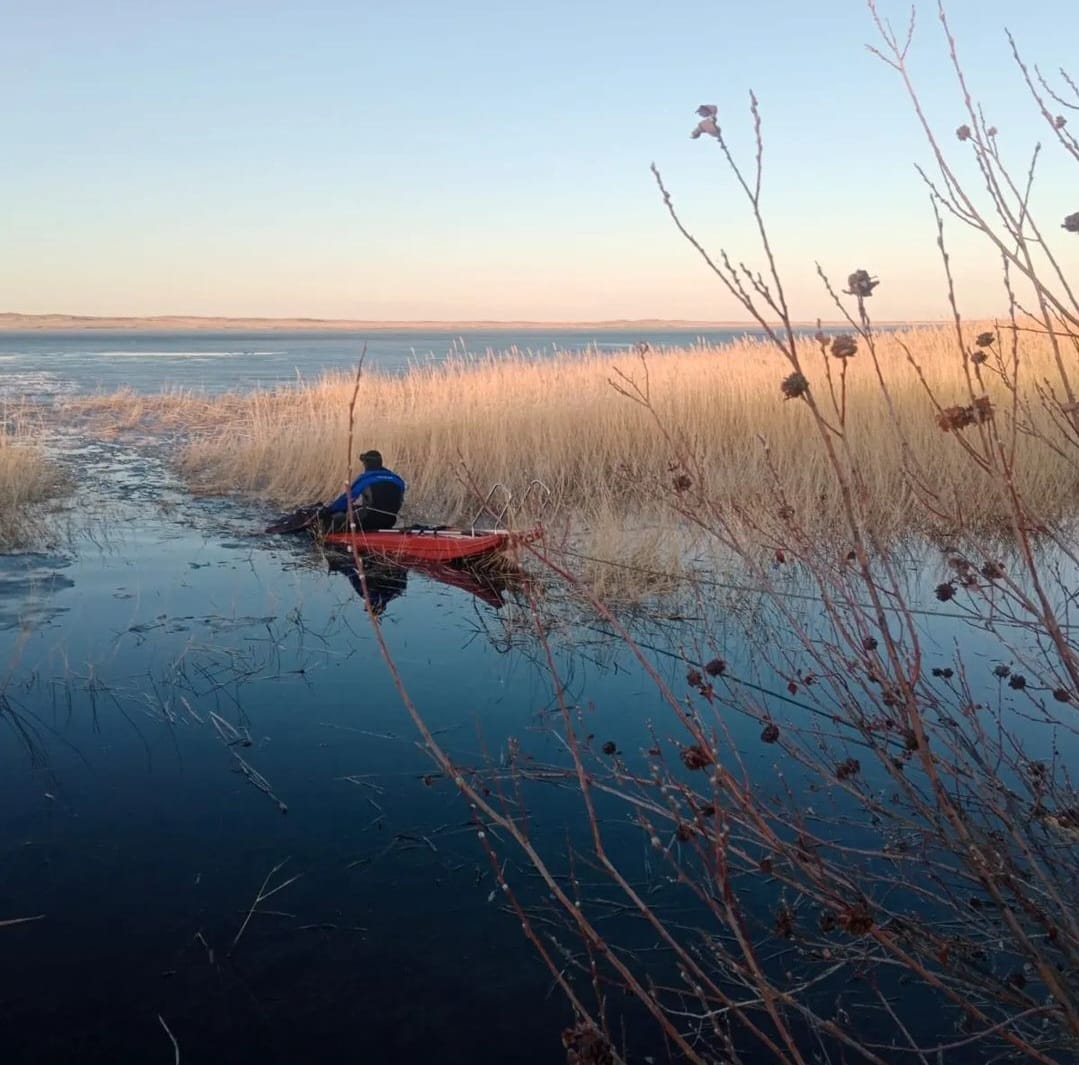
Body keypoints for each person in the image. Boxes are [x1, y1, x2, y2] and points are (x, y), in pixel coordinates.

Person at [319, 450, 406, 532]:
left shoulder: (365, 479)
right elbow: (399, 502)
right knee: (357, 509)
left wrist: (329, 510)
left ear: (366, 464)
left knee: (336, 517)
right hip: (390, 521)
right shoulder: (398, 480)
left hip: (368, 521)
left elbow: (347, 499)